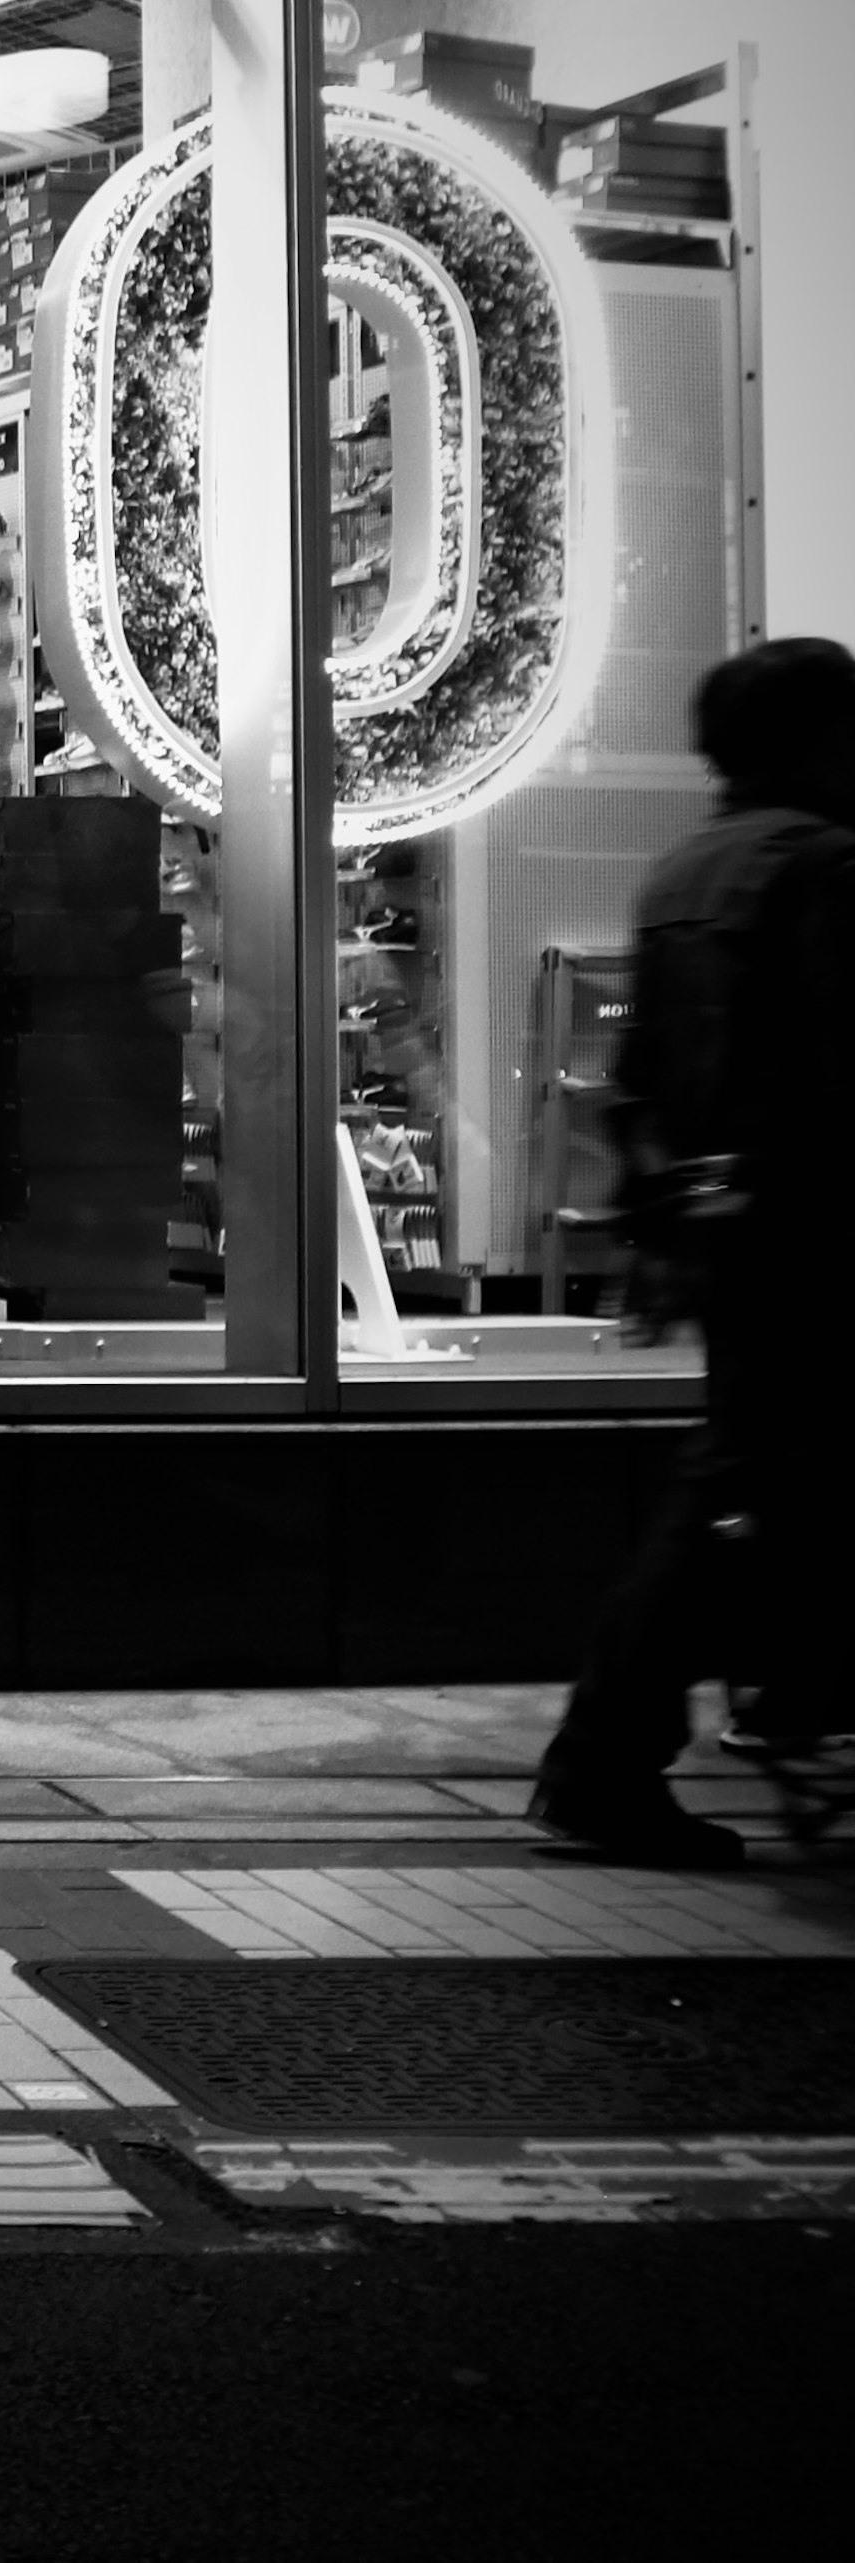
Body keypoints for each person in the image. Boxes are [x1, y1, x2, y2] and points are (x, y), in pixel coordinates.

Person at [530, 635, 855, 1868]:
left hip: (737, 1235)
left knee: (750, 1484)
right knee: (742, 1489)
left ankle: (748, 1714)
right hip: (815, 1231)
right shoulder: (819, 868)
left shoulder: (689, 868)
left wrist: (666, 1220)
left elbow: (640, 1084)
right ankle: (616, 1756)